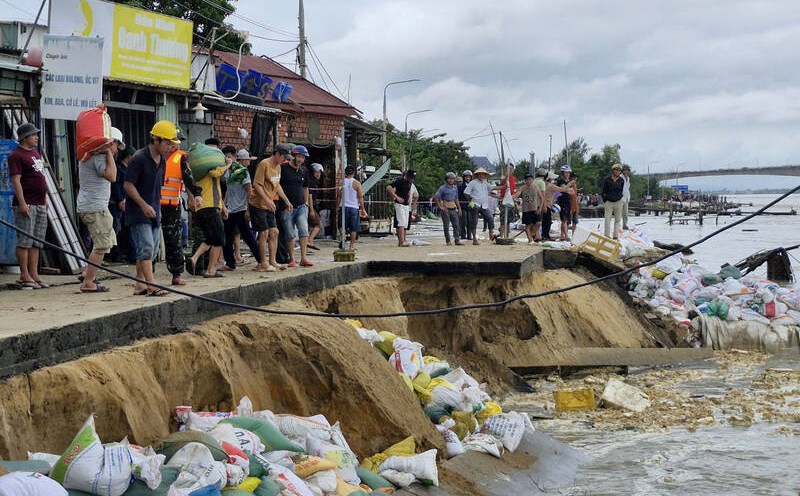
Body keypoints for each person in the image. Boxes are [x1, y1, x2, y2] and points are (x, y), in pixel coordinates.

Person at [124, 120, 179, 296]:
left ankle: (140, 284)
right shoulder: (139, 158)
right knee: (146, 246)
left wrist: (159, 209)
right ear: (156, 140)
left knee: (151, 249)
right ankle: (151, 283)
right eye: (168, 143)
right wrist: (143, 205)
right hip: (138, 212)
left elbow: (158, 188)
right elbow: (128, 185)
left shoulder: (162, 160)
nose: (170, 147)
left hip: (154, 211)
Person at [76, 127, 123, 292]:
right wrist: (109, 153)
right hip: (95, 207)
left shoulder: (91, 156)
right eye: (116, 145)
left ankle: (88, 274)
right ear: (111, 143)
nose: (117, 149)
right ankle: (88, 281)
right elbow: (112, 176)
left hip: (95, 205)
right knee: (102, 245)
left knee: (105, 242)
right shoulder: (97, 158)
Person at [9, 123, 48, 289]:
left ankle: (34, 273)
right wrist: (23, 203)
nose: (36, 137)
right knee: (25, 240)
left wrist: (45, 199)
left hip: (40, 203)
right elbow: (16, 180)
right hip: (27, 203)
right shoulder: (16, 155)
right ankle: (24, 274)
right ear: (25, 137)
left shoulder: (35, 153)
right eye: (33, 135)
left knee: (36, 241)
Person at [160, 139, 202, 285]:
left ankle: (176, 273)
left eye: (176, 143)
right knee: (151, 241)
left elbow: (188, 178)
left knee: (174, 241)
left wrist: (196, 194)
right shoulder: (154, 155)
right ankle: (146, 275)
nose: (174, 145)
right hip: (152, 204)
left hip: (171, 206)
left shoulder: (180, 158)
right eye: (171, 142)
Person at [187, 145, 230, 278]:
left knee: (210, 238)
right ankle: (211, 270)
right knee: (220, 239)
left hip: (203, 208)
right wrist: (228, 164)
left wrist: (223, 207)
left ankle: (194, 258)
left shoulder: (198, 172)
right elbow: (216, 173)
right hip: (209, 206)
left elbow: (216, 189)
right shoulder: (210, 169)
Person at [249, 144, 291, 272]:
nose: (284, 160)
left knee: (274, 232)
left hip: (269, 205)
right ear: (277, 154)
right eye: (283, 157)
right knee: (264, 232)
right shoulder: (264, 164)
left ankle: (273, 260)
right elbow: (256, 184)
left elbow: (277, 185)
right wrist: (267, 199)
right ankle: (263, 262)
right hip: (258, 204)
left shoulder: (278, 167)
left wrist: (286, 200)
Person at [220, 147, 261, 272]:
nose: (227, 159)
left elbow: (249, 191)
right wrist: (224, 206)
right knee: (227, 236)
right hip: (231, 210)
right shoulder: (228, 172)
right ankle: (230, 263)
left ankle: (261, 261)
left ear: (234, 157)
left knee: (247, 236)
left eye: (229, 157)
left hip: (241, 209)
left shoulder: (243, 171)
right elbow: (228, 190)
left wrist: (249, 210)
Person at [278, 144, 314, 267]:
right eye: (299, 157)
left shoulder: (304, 170)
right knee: (289, 233)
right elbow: (277, 186)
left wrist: (307, 203)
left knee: (304, 230)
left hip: (301, 206)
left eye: (303, 158)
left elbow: (305, 188)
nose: (300, 160)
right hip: (286, 207)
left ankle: (303, 257)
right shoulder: (283, 168)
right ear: (293, 156)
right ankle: (292, 258)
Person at [108, 144, 133, 263]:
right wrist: (119, 200)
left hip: (125, 203)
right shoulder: (119, 168)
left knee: (125, 229)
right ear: (128, 156)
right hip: (116, 203)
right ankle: (115, 254)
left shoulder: (127, 169)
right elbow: (115, 185)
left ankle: (126, 253)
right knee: (116, 229)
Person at [463, 167, 496, 244]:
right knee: (474, 221)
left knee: (490, 218)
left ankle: (491, 233)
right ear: (477, 175)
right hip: (474, 203)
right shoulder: (473, 183)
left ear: (485, 176)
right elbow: (466, 193)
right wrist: (470, 201)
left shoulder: (485, 183)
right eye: (480, 174)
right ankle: (474, 238)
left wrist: (503, 186)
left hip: (484, 204)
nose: (482, 176)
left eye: (483, 174)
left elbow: (492, 188)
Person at [386, 169, 416, 247]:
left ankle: (404, 239)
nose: (411, 179)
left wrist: (410, 200)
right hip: (399, 204)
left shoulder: (410, 183)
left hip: (406, 205)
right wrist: (396, 197)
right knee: (401, 223)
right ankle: (401, 241)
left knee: (405, 223)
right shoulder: (399, 181)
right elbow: (389, 188)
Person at [512, 173, 545, 243]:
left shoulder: (536, 188)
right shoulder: (522, 188)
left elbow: (542, 198)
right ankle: (530, 239)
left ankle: (533, 233)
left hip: (535, 208)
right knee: (528, 225)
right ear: (525, 180)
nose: (529, 181)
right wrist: (511, 197)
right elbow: (517, 194)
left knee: (538, 223)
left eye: (530, 179)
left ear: (532, 180)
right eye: (527, 179)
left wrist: (540, 208)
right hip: (526, 209)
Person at [342, 165, 366, 250]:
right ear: (354, 173)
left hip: (343, 207)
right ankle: (351, 246)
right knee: (353, 228)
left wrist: (337, 206)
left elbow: (338, 196)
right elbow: (360, 197)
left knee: (343, 227)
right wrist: (362, 208)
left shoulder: (341, 182)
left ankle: (343, 243)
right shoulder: (357, 183)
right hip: (353, 207)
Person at [434, 171, 462, 245]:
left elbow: (456, 199)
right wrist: (440, 207)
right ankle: (448, 240)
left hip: (453, 208)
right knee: (446, 226)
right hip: (446, 208)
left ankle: (457, 240)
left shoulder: (455, 188)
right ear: (446, 179)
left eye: (452, 179)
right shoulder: (442, 188)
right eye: (449, 178)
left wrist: (459, 208)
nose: (451, 180)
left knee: (456, 225)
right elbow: (436, 197)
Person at [602, 163, 626, 239]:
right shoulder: (607, 179)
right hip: (608, 201)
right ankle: (607, 235)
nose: (618, 171)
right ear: (613, 170)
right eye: (616, 170)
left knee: (618, 220)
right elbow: (603, 191)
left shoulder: (621, 180)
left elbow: (621, 191)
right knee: (607, 219)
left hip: (618, 201)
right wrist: (605, 200)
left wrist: (621, 200)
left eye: (619, 170)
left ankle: (615, 235)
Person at [306, 162, 324, 249]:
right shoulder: (311, 183)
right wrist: (311, 210)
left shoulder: (313, 182)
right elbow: (309, 196)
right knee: (318, 224)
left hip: (310, 206)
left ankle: (309, 241)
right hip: (310, 207)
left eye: (319, 172)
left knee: (311, 226)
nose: (318, 174)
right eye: (316, 172)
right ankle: (309, 240)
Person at [554, 165, 575, 241]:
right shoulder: (561, 180)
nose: (568, 174)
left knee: (567, 219)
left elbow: (572, 191)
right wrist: (569, 187)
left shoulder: (567, 181)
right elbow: (564, 189)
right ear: (563, 173)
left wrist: (568, 189)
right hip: (562, 201)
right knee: (564, 219)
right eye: (566, 172)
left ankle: (562, 235)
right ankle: (566, 236)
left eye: (569, 173)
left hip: (567, 201)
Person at [458, 170, 475, 241]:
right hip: (463, 205)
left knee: (470, 221)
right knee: (463, 221)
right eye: (466, 177)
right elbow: (458, 196)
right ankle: (463, 235)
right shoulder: (460, 186)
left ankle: (469, 235)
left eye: (469, 177)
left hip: (471, 205)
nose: (467, 178)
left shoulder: (473, 186)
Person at [569, 171, 580, 238]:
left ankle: (574, 235)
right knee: (567, 222)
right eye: (573, 177)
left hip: (575, 205)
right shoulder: (569, 184)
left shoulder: (575, 184)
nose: (574, 179)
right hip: (570, 205)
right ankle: (566, 235)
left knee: (575, 222)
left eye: (575, 177)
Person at [621, 164, 631, 230]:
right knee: (619, 213)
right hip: (621, 197)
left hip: (627, 197)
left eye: (627, 171)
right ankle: (619, 226)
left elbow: (627, 188)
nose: (626, 172)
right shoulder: (620, 177)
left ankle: (625, 225)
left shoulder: (628, 178)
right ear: (623, 171)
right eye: (624, 170)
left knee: (625, 213)